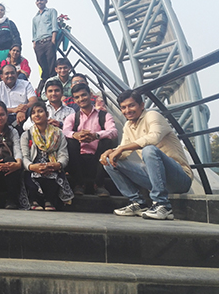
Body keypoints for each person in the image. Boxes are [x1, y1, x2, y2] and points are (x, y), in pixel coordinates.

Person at [100, 90, 193, 220]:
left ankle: (163, 205)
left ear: (142, 105)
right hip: (154, 178)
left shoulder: (152, 115)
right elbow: (124, 152)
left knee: (149, 150)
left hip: (179, 178)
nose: (127, 110)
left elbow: (154, 138)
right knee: (109, 161)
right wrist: (110, 152)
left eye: (131, 105)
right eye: (123, 107)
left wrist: (121, 148)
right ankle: (137, 203)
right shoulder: (128, 125)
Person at [62, 83, 117, 197]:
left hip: (98, 158)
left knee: (106, 141)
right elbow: (65, 132)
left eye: (83, 95)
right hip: (78, 160)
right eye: (77, 97)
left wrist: (96, 136)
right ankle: (79, 184)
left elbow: (113, 132)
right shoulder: (72, 117)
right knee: (71, 141)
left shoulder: (104, 115)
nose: (81, 99)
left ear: (90, 95)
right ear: (74, 100)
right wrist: (76, 135)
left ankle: (99, 184)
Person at [21, 101, 73, 210]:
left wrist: (57, 164)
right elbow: (24, 156)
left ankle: (49, 200)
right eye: (33, 113)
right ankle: (34, 200)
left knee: (53, 174)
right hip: (34, 166)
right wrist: (31, 166)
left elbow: (63, 154)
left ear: (47, 114)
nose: (37, 115)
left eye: (40, 111)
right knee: (30, 175)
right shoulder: (27, 135)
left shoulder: (58, 133)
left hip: (52, 165)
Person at [0, 65, 37, 129]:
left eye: (12, 73)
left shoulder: (26, 84)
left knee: (33, 109)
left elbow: (34, 100)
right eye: (7, 73)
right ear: (1, 77)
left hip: (24, 116)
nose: (10, 75)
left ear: (17, 75)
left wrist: (23, 110)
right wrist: (14, 110)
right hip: (5, 116)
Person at [32, 0, 59, 93]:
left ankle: (52, 83)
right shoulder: (35, 18)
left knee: (51, 62)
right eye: (38, 0)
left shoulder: (51, 11)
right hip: (39, 43)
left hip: (48, 40)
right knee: (42, 63)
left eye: (41, 0)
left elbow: (54, 25)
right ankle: (45, 82)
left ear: (46, 1)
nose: (39, 2)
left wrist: (53, 39)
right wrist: (34, 43)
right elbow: (34, 31)